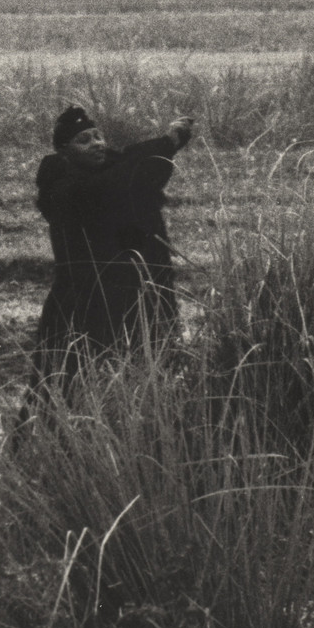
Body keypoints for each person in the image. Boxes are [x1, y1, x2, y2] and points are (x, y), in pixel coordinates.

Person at [24, 106, 196, 406]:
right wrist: (165, 143)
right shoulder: (62, 188)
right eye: (84, 140)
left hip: (132, 296)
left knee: (146, 378)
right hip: (84, 301)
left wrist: (167, 145)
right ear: (65, 152)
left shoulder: (111, 172)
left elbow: (137, 171)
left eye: (99, 136)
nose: (97, 144)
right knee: (62, 382)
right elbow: (111, 186)